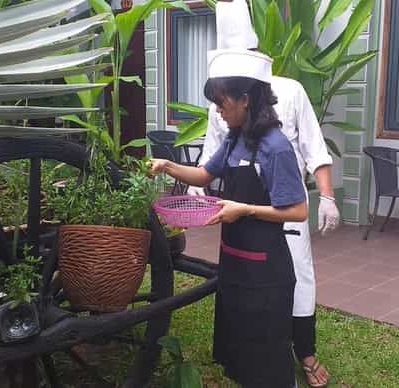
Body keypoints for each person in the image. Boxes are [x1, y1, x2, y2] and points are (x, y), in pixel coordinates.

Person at [187, 1, 338, 386]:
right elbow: (211, 160)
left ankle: (304, 352)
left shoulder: (289, 92)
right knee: (244, 286)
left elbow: (313, 148)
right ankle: (248, 356)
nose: (221, 105)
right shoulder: (222, 105)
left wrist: (327, 197)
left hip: (282, 201)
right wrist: (192, 194)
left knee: (298, 280)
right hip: (240, 212)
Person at [151, 48, 306, 388]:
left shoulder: (276, 147)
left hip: (266, 270)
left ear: (246, 99)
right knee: (240, 347)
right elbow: (204, 174)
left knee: (267, 353)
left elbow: (298, 210)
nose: (218, 112)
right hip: (235, 262)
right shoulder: (236, 140)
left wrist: (246, 209)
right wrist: (167, 165)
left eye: (222, 103)